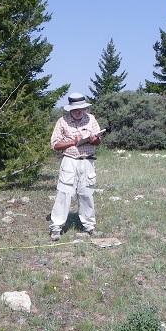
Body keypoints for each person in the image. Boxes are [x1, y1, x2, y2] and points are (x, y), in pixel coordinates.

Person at [49, 92, 102, 241]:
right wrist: (72, 142)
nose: (79, 111)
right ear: (70, 109)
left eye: (82, 108)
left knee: (86, 194)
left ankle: (89, 227)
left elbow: (98, 141)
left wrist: (93, 140)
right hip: (69, 160)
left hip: (88, 161)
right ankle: (56, 228)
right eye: (76, 109)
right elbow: (54, 145)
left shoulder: (91, 119)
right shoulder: (62, 121)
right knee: (64, 194)